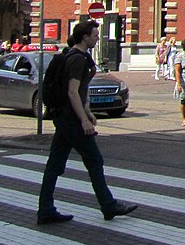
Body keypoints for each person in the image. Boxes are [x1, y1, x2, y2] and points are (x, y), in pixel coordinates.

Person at [36, 20, 138, 225]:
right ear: (85, 37)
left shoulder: (69, 55)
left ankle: (45, 209)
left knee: (55, 164)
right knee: (94, 161)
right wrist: (84, 119)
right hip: (71, 119)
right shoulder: (78, 60)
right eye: (94, 35)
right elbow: (72, 91)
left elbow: (79, 92)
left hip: (64, 117)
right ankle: (108, 205)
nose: (97, 38)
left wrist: (88, 111)